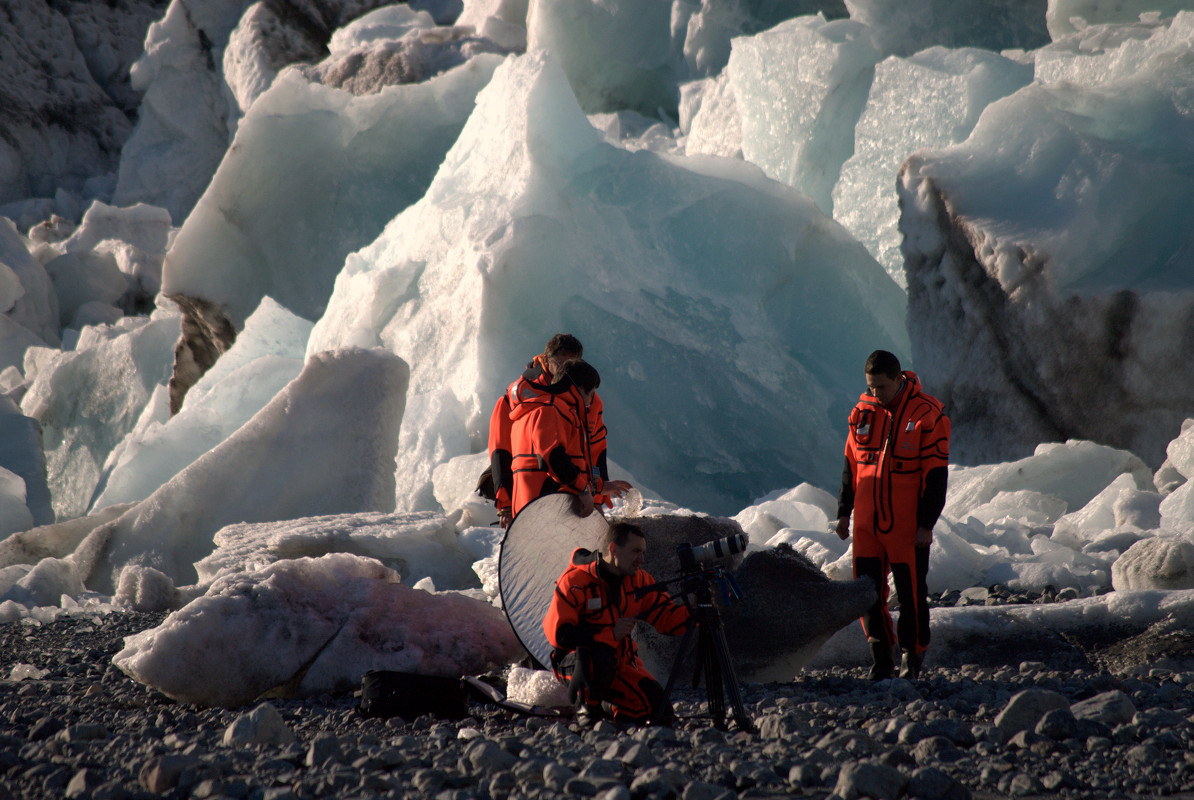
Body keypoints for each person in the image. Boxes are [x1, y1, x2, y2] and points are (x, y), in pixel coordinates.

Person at [835, 350, 949, 680]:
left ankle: (912, 660)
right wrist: (844, 513)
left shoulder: (928, 414)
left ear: (899, 380)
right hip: (867, 526)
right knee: (866, 594)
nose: (875, 394)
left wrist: (926, 524)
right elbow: (850, 467)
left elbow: (936, 477)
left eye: (881, 388)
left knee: (912, 595)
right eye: (870, 387)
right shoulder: (862, 413)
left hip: (905, 526)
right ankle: (881, 659)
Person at [543, 521, 691, 724]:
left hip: (622, 663)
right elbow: (559, 635)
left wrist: (697, 612)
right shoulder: (575, 581)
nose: (642, 559)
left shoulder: (639, 580)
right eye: (636, 551)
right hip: (577, 662)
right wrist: (610, 633)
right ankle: (587, 709)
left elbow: (667, 618)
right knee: (599, 656)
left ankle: (609, 707)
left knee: (659, 712)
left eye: (643, 552)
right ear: (613, 549)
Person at [488, 334, 612, 527]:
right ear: (546, 360)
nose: (565, 371)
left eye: (572, 365)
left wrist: (596, 497)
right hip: (537, 494)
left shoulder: (591, 401)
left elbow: (595, 449)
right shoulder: (514, 399)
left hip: (575, 494)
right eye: (560, 364)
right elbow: (500, 450)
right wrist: (504, 505)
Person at [507, 359, 629, 519]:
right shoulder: (550, 410)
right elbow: (552, 457)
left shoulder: (540, 409)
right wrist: (583, 491)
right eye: (590, 394)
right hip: (544, 509)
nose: (590, 401)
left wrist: (598, 487)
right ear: (578, 389)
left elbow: (570, 465)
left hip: (532, 508)